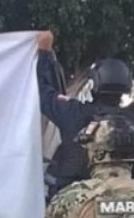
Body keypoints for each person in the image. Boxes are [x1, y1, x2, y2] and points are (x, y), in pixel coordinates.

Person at [37, 30, 133, 197]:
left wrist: (43, 53)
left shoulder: (73, 112)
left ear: (93, 83)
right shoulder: (130, 119)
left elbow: (42, 92)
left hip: (75, 202)